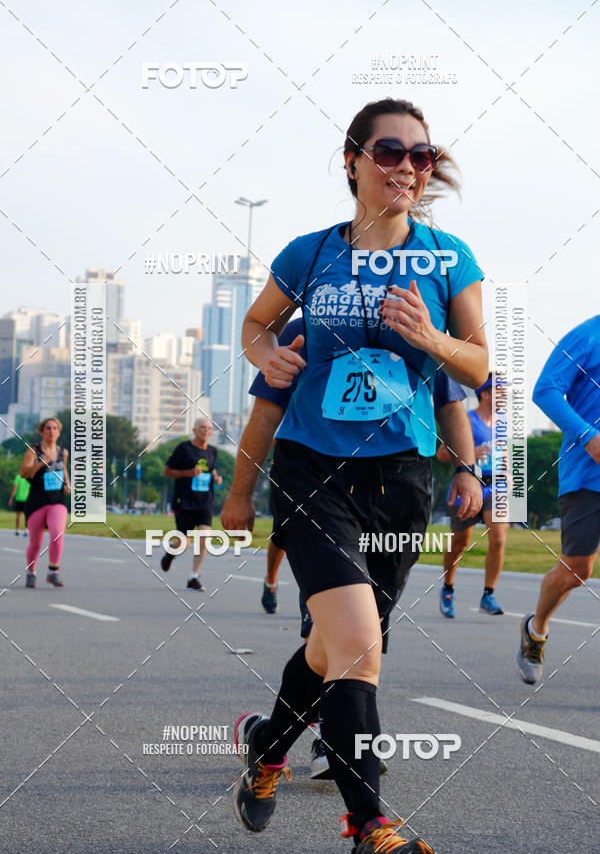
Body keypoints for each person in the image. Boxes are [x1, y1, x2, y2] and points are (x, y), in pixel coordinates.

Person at [230, 97, 488, 853]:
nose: (406, 167)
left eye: (421, 155)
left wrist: (433, 338)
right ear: (352, 162)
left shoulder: (449, 258)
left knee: (340, 647)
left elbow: (478, 364)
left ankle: (269, 748)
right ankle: (370, 826)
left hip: (402, 479)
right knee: (357, 643)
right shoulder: (309, 254)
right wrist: (262, 354)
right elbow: (255, 326)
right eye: (389, 151)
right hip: (314, 468)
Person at [221, 317, 482, 782]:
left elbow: (450, 405)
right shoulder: (305, 329)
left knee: (357, 638)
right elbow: (265, 414)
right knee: (345, 636)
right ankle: (346, 761)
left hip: (395, 497)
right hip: (319, 490)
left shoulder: (419, 329)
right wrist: (240, 494)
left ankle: (269, 740)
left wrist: (467, 468)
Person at [516, 315, 600, 684]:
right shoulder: (588, 335)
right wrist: (588, 435)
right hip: (588, 474)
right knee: (577, 570)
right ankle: (536, 629)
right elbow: (546, 389)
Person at [437, 373, 508, 618]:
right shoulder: (466, 419)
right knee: (460, 543)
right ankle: (448, 588)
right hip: (469, 484)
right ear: (485, 394)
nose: (505, 395)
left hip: (496, 487)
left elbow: (507, 456)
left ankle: (489, 594)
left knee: (498, 536)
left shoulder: (504, 424)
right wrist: (471, 453)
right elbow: (442, 454)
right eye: (500, 390)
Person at [161, 418, 223, 591]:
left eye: (209, 428)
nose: (206, 431)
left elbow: (211, 469)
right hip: (184, 502)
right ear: (194, 430)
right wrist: (189, 473)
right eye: (202, 428)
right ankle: (170, 555)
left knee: (204, 538)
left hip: (205, 502)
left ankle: (193, 577)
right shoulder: (183, 449)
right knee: (183, 542)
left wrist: (216, 477)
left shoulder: (213, 451)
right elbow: (167, 472)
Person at [20, 417, 71, 588]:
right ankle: (31, 572)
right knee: (36, 543)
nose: (51, 431)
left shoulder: (63, 452)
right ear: (42, 431)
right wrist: (41, 463)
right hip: (36, 501)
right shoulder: (33, 451)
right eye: (48, 428)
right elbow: (23, 473)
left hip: (57, 500)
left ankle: (53, 571)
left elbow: (63, 469)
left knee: (57, 534)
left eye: (55, 428)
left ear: (58, 432)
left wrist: (67, 484)